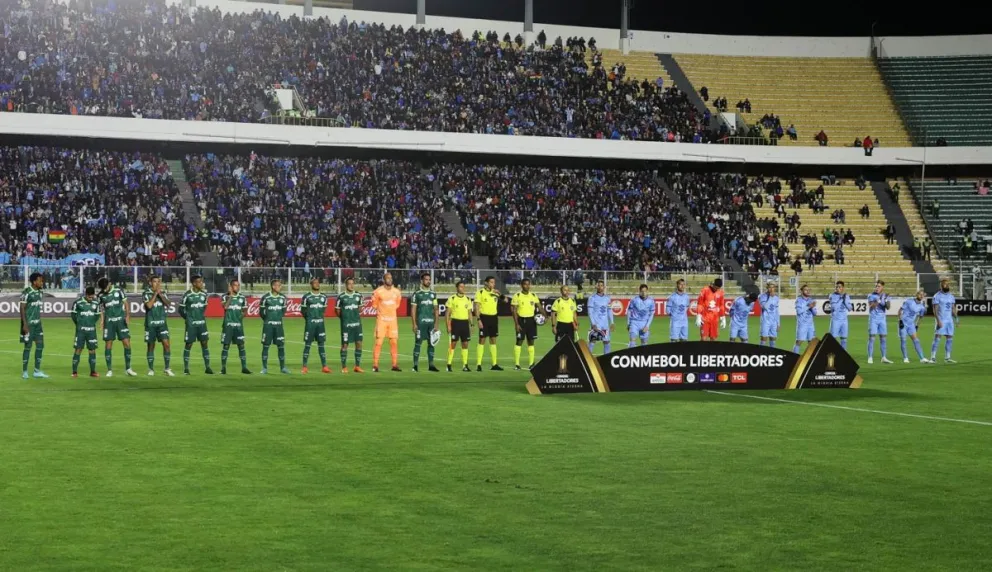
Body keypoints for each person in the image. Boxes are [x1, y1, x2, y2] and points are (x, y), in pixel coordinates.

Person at [98, 276, 137, 377]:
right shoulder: (101, 295)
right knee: (108, 345)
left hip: (120, 321)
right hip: (109, 322)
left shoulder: (119, 290)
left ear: (109, 284)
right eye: (103, 289)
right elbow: (101, 309)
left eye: (105, 288)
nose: (104, 290)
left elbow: (126, 303)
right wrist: (102, 321)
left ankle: (128, 368)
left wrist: (128, 315)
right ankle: (109, 370)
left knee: (127, 343)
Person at [180, 274, 213, 375]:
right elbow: (181, 309)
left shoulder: (204, 295)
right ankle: (186, 368)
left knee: (204, 343)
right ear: (194, 283)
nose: (202, 283)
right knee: (189, 344)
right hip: (191, 325)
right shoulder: (187, 295)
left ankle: (207, 367)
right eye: (199, 282)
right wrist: (188, 318)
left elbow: (204, 308)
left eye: (202, 281)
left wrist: (199, 317)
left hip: (202, 324)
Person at [371, 272, 403, 372]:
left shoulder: (397, 292)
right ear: (384, 280)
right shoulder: (378, 292)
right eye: (388, 278)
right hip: (382, 320)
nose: (390, 280)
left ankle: (394, 365)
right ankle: (375, 365)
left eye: (391, 278)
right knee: (378, 343)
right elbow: (374, 305)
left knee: (394, 342)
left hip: (393, 320)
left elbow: (397, 304)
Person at [143, 276, 174, 376]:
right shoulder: (146, 293)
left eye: (158, 282)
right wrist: (155, 294)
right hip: (150, 324)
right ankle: (151, 369)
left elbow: (168, 304)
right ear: (150, 283)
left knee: (167, 345)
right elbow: (149, 306)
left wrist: (160, 295)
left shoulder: (163, 293)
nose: (157, 283)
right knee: (151, 346)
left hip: (162, 324)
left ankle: (167, 368)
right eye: (155, 281)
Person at [511, 278, 545, 370]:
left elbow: (539, 307)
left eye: (528, 284)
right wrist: (516, 324)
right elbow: (513, 310)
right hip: (521, 321)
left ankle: (531, 364)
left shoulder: (533, 295)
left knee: (531, 342)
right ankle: (517, 364)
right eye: (525, 284)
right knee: (519, 341)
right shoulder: (517, 295)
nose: (527, 286)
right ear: (521, 285)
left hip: (531, 321)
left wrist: (546, 316)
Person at [410, 272, 440, 372]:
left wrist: (436, 324)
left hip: (431, 323)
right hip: (420, 323)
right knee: (418, 343)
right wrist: (414, 323)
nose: (428, 281)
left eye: (429, 279)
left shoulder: (433, 294)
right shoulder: (417, 294)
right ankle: (415, 365)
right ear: (422, 281)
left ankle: (431, 365)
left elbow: (436, 309)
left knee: (431, 343)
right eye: (426, 279)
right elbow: (413, 310)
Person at [20, 272, 48, 379]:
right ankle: (25, 371)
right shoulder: (27, 292)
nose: (42, 282)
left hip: (38, 324)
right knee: (28, 347)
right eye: (40, 280)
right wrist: (24, 324)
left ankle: (37, 371)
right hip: (28, 325)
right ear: (34, 281)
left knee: (40, 346)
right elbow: (22, 308)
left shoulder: (40, 292)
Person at [220, 279, 251, 375]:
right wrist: (231, 296)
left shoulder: (242, 298)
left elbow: (245, 311)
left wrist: (240, 318)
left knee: (241, 345)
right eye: (235, 285)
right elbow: (225, 307)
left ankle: (244, 367)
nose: (237, 287)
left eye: (238, 285)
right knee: (226, 346)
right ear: (231, 286)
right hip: (228, 325)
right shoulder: (224, 297)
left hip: (238, 326)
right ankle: (223, 368)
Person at [300, 277, 330, 374]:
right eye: (315, 283)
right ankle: (304, 367)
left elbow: (323, 310)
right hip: (310, 324)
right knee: (307, 344)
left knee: (321, 344)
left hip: (320, 324)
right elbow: (303, 311)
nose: (317, 284)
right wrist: (309, 319)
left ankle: (324, 366)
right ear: (311, 285)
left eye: (318, 283)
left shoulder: (324, 297)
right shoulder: (306, 297)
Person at [259, 279, 290, 374]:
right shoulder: (265, 298)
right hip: (268, 326)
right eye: (278, 285)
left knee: (281, 346)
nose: (280, 287)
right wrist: (268, 320)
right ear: (273, 286)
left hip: (279, 326)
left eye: (280, 285)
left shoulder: (283, 298)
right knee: (266, 346)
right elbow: (261, 313)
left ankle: (283, 367)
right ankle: (264, 368)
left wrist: (277, 319)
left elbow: (283, 312)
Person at [336, 277, 365, 373]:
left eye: (353, 283)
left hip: (357, 324)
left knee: (359, 343)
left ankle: (357, 366)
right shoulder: (341, 297)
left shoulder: (358, 296)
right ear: (346, 285)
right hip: (346, 325)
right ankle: (344, 367)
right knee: (345, 345)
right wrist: (344, 318)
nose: (351, 285)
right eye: (349, 283)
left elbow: (360, 309)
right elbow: (337, 310)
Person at [71, 286, 102, 378]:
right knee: (78, 349)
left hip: (91, 331)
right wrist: (79, 324)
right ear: (86, 295)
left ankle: (93, 371)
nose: (91, 299)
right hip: (81, 331)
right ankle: (74, 372)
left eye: (92, 297)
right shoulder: (78, 303)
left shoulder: (96, 303)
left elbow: (97, 316)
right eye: (89, 297)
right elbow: (73, 315)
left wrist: (91, 323)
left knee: (92, 350)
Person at [474, 276, 503, 371]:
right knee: (482, 340)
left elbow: (506, 301)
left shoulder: (495, 293)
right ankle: (478, 364)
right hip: (484, 318)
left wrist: (500, 294)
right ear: (486, 283)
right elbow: (476, 307)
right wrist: (478, 320)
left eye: (494, 282)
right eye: (491, 282)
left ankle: (494, 364)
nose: (493, 284)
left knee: (493, 340)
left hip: (494, 318)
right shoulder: (480, 292)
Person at [446, 281, 473, 372]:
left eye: (463, 286)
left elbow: (469, 313)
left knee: (465, 344)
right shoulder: (452, 298)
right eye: (461, 286)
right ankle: (449, 364)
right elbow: (447, 314)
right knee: (453, 344)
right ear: (457, 288)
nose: (462, 288)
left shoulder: (468, 299)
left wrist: (471, 324)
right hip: (455, 323)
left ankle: (465, 365)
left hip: (465, 323)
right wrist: (448, 326)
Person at [930, 278, 959, 363]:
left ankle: (947, 357)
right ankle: (932, 357)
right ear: (941, 286)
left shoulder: (951, 296)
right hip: (941, 319)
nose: (947, 285)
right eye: (945, 284)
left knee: (950, 338)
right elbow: (935, 310)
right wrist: (938, 321)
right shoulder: (937, 296)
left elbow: (953, 308)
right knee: (937, 337)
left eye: (947, 284)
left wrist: (957, 319)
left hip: (949, 320)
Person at [899, 290, 931, 364]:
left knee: (916, 341)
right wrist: (900, 321)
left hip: (911, 325)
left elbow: (920, 317)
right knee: (903, 340)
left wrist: (917, 325)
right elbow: (900, 310)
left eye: (923, 295)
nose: (921, 296)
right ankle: (905, 358)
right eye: (920, 294)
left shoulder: (922, 307)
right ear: (917, 295)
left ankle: (922, 358)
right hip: (903, 323)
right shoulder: (909, 301)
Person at [866, 281, 893, 364]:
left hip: (882, 319)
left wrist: (885, 299)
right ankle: (870, 357)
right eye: (876, 286)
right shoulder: (871, 295)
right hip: (873, 319)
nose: (877, 288)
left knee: (883, 338)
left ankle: (884, 357)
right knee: (872, 338)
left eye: (879, 286)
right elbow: (871, 306)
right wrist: (878, 300)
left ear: (882, 287)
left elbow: (888, 307)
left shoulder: (886, 296)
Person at [586, 279, 614, 354]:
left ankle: (606, 360)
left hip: (605, 324)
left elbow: (609, 310)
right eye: (599, 285)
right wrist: (593, 324)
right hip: (596, 324)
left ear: (604, 287)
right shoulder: (592, 298)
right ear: (596, 287)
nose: (600, 287)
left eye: (602, 286)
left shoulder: (607, 298)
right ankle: (587, 361)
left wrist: (612, 322)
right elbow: (590, 312)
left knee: (607, 342)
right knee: (592, 342)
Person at [695, 278, 725, 342]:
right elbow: (700, 304)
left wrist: (723, 318)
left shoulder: (721, 292)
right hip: (705, 318)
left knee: (713, 339)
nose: (716, 289)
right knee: (704, 339)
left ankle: (712, 352)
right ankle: (701, 352)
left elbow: (721, 305)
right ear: (713, 284)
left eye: (718, 288)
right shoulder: (705, 290)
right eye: (716, 287)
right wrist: (698, 316)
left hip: (714, 319)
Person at [828, 281, 853, 350]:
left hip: (844, 321)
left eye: (839, 287)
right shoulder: (832, 296)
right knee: (833, 339)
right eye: (836, 287)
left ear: (843, 288)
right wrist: (841, 299)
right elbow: (834, 307)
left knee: (844, 339)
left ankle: (842, 355)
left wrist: (845, 301)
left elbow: (850, 308)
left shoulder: (846, 296)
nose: (837, 288)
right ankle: (831, 354)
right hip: (835, 320)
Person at [793, 284, 817, 354]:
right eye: (806, 290)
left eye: (809, 290)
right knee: (799, 341)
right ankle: (794, 357)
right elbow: (799, 311)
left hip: (810, 325)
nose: (808, 291)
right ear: (801, 291)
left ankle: (809, 358)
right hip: (802, 324)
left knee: (811, 342)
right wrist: (809, 306)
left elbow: (815, 313)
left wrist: (812, 307)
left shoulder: (811, 300)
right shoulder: (799, 300)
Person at [758, 283, 781, 347]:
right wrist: (770, 297)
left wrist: (778, 323)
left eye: (773, 287)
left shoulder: (776, 298)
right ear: (767, 288)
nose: (771, 289)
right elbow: (764, 306)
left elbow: (776, 311)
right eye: (770, 287)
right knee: (763, 338)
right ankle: (761, 354)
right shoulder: (762, 296)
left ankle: (772, 353)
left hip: (774, 321)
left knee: (773, 339)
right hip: (765, 321)